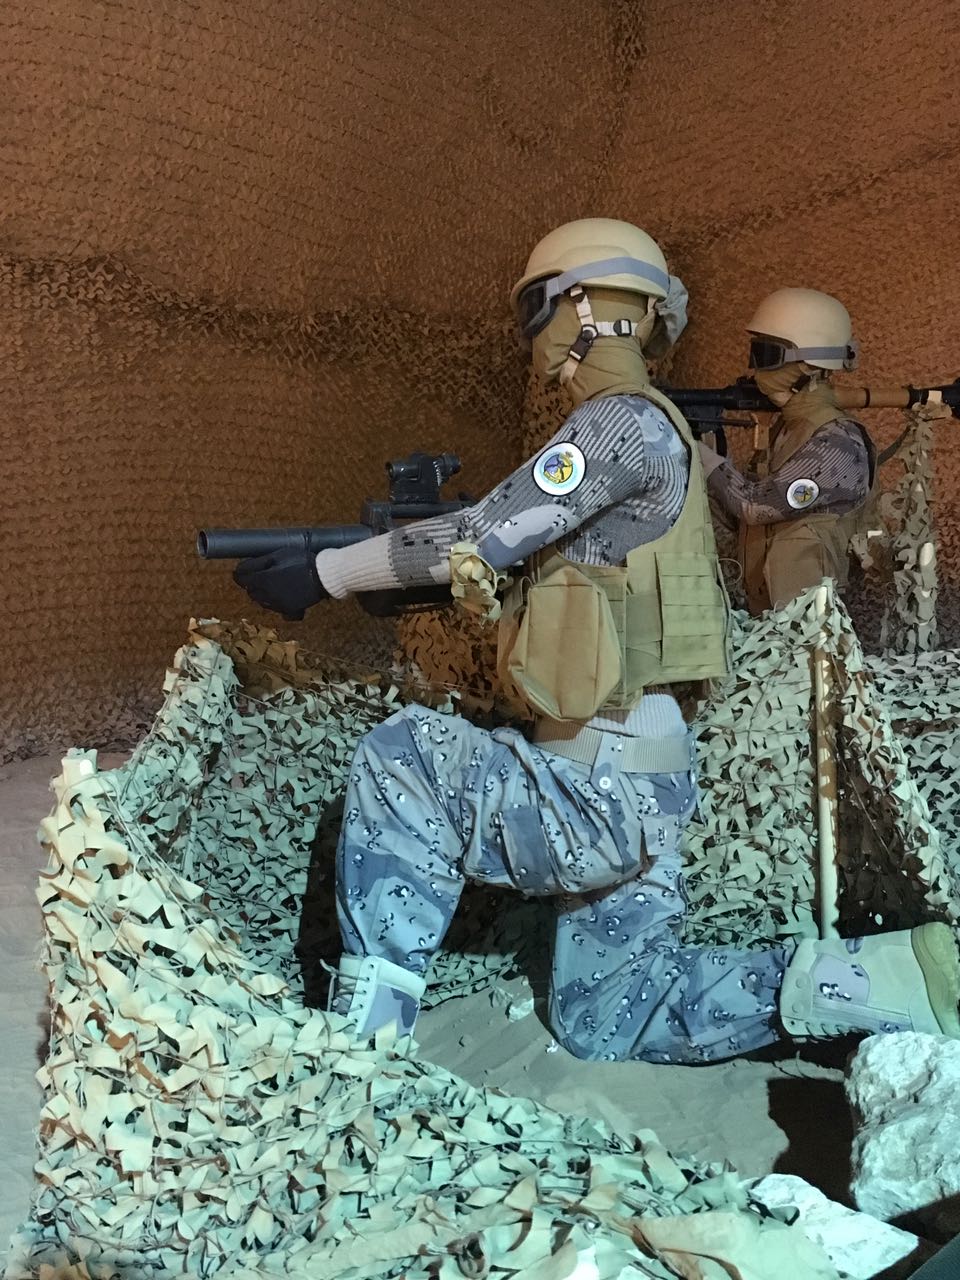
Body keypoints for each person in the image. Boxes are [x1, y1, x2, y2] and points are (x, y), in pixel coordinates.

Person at [233, 221, 959, 1062]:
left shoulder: (619, 425)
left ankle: (365, 1044)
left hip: (595, 786)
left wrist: (326, 571)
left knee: (403, 758)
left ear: (584, 306)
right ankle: (888, 979)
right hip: (647, 786)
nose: (532, 335)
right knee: (612, 1015)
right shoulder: (654, 432)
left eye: (535, 309)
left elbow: (480, 533)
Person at [698, 288, 875, 614]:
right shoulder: (788, 429)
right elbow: (744, 520)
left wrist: (704, 458)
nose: (756, 370)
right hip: (767, 619)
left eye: (767, 356)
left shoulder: (836, 441)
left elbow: (754, 506)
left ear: (809, 365)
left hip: (810, 630)